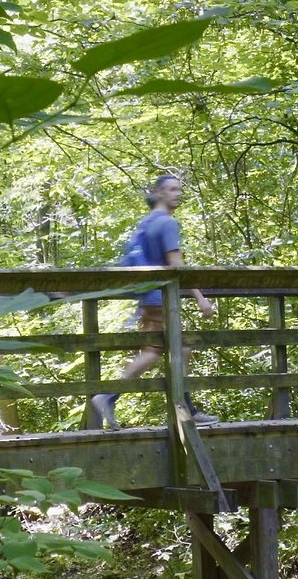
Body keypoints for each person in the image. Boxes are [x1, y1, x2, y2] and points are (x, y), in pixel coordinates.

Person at [89, 171, 218, 430]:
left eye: (179, 189)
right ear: (159, 192)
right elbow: (176, 266)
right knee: (171, 350)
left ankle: (112, 396)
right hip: (161, 300)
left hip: (148, 297)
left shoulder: (146, 223)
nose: (177, 193)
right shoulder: (168, 224)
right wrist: (201, 298)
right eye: (172, 189)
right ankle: (184, 409)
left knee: (160, 351)